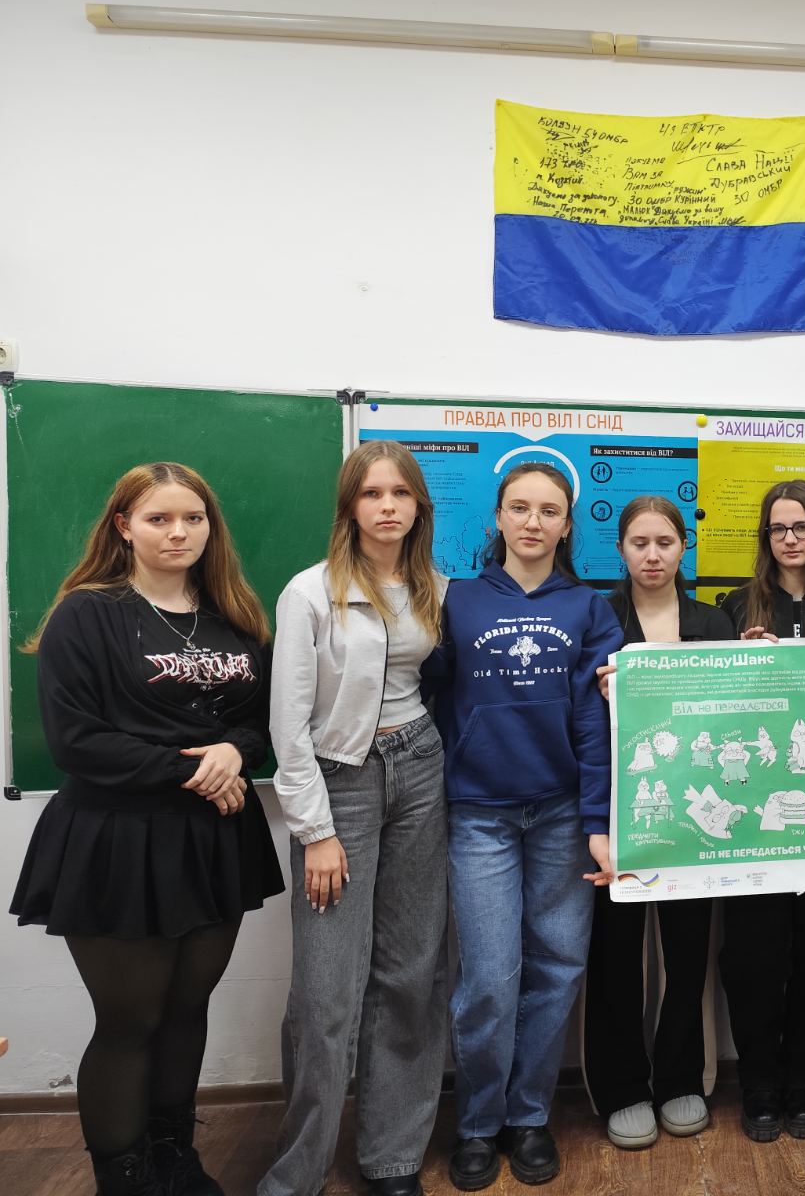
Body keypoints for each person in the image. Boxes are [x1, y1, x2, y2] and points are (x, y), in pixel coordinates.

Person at [11, 462, 282, 1196]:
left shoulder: (233, 615)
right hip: (117, 841)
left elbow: (260, 721)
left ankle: (174, 1158)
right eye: (159, 518)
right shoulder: (86, 614)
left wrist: (236, 752)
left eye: (193, 518)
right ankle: (123, 1177)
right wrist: (197, 770)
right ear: (124, 526)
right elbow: (76, 742)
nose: (178, 532)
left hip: (213, 842)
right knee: (129, 1020)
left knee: (187, 1010)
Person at [259, 440, 449, 1196]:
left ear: (419, 506)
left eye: (400, 494)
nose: (387, 507)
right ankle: (296, 1172)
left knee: (410, 974)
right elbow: (287, 724)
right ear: (350, 506)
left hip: (421, 770)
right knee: (325, 990)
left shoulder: (434, 585)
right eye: (372, 494)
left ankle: (393, 1157)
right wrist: (316, 831)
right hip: (341, 783)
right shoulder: (310, 591)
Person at [435, 463, 623, 1190]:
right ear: (499, 517)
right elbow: (430, 695)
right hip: (478, 814)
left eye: (549, 510)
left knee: (557, 967)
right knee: (488, 977)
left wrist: (598, 821)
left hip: (561, 816)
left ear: (567, 525)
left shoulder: (589, 608)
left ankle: (529, 1116)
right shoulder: (455, 599)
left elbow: (596, 724)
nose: (533, 522)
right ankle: (479, 1122)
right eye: (520, 508)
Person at [585, 496, 732, 1149]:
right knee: (616, 954)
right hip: (619, 809)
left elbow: (736, 707)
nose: (652, 555)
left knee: (686, 953)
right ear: (620, 549)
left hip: (695, 813)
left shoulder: (713, 621)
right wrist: (600, 690)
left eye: (664, 543)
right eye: (639, 543)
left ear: (682, 548)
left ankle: (679, 1079)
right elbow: (574, 713)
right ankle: (621, 1087)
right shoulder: (597, 617)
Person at [718, 480, 805, 1143]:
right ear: (765, 538)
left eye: (801, 526)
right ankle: (758, 1084)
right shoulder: (735, 605)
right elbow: (710, 705)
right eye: (778, 528)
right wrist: (739, 661)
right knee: (753, 957)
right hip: (755, 818)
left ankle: (804, 1081)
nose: (790, 538)